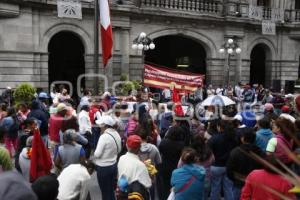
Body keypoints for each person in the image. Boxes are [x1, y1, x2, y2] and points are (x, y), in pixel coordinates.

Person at [226, 128, 265, 200]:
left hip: (239, 184)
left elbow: (229, 170)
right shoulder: (260, 152)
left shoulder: (235, 152)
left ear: (242, 138)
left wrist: (235, 180)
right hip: (256, 184)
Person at [208, 120, 237, 200]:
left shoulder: (214, 138)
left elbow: (209, 153)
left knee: (215, 188)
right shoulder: (233, 138)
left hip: (216, 166)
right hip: (229, 166)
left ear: (219, 127)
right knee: (228, 188)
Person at [94, 115, 122, 200]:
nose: (100, 127)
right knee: (110, 190)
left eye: (101, 125)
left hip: (103, 168)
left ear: (105, 126)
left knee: (105, 192)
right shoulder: (116, 133)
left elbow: (97, 154)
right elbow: (119, 150)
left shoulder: (104, 136)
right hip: (113, 165)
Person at [118, 135, 152, 199]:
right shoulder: (141, 165)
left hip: (122, 194)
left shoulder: (121, 158)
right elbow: (148, 184)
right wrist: (150, 174)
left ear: (127, 146)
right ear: (139, 148)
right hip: (134, 196)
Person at [158, 126, 186, 199]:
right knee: (175, 186)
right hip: (176, 167)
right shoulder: (181, 144)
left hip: (164, 166)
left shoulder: (163, 142)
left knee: (164, 186)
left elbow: (160, 152)